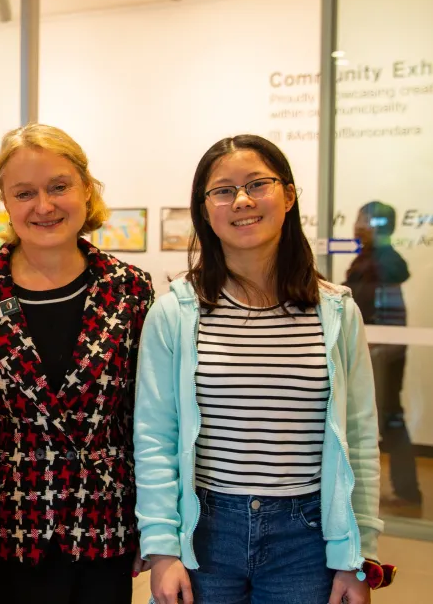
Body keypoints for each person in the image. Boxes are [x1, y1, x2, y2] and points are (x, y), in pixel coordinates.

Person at [135, 135, 384, 604]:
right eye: (223, 190)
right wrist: (162, 550)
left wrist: (358, 555)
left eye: (257, 184)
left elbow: (360, 435)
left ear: (288, 196)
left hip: (308, 535)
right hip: (204, 531)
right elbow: (154, 438)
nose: (242, 201)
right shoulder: (175, 312)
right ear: (205, 209)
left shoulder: (335, 312)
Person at [0, 124, 154, 603]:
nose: (43, 206)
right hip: (2, 530)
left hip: (100, 525)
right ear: (5, 202)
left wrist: (153, 525)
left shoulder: (130, 290)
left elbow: (145, 420)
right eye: (25, 193)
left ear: (86, 188)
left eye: (58, 187)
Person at [345, 201, 422, 514]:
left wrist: (377, 348)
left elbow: (376, 310)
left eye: (362, 219)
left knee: (389, 418)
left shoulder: (381, 261)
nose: (356, 225)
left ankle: (408, 490)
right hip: (380, 350)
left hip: (383, 353)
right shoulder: (372, 259)